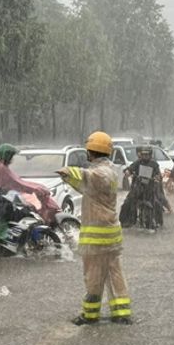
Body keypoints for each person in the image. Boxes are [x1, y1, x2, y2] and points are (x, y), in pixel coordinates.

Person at [58, 132, 131, 325]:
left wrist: (68, 171)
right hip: (112, 236)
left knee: (93, 277)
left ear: (91, 152)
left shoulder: (100, 173)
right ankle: (121, 313)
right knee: (115, 275)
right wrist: (71, 177)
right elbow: (85, 185)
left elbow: (88, 177)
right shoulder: (111, 171)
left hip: (97, 238)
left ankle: (90, 315)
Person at [0, 143, 61, 223]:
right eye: (11, 156)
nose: (12, 158)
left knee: (30, 208)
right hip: (6, 197)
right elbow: (17, 183)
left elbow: (18, 181)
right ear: (8, 156)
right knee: (30, 209)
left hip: (6, 196)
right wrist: (34, 189)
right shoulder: (2, 168)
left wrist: (36, 186)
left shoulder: (0, 165)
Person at [121, 145, 165, 227]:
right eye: (143, 154)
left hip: (150, 189)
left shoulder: (154, 164)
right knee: (127, 202)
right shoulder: (138, 162)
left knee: (158, 203)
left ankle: (159, 222)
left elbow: (159, 175)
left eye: (147, 154)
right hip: (137, 188)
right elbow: (130, 169)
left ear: (150, 155)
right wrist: (128, 172)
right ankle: (127, 222)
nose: (145, 156)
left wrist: (157, 178)